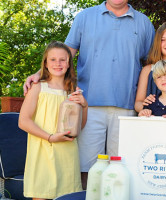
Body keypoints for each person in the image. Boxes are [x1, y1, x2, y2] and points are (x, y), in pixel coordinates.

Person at [23, 0, 155, 189]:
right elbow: (65, 54)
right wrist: (39, 74)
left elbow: (151, 63)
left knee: (121, 167)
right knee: (86, 167)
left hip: (127, 107)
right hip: (88, 105)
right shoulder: (85, 17)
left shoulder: (143, 23)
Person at [18, 41, 88, 199]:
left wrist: (84, 105)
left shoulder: (73, 91)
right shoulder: (38, 88)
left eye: (63, 60)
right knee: (42, 194)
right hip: (42, 149)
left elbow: (80, 126)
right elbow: (23, 121)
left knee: (67, 195)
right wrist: (50, 137)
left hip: (67, 153)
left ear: (69, 63)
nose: (58, 63)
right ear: (45, 63)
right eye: (53, 59)